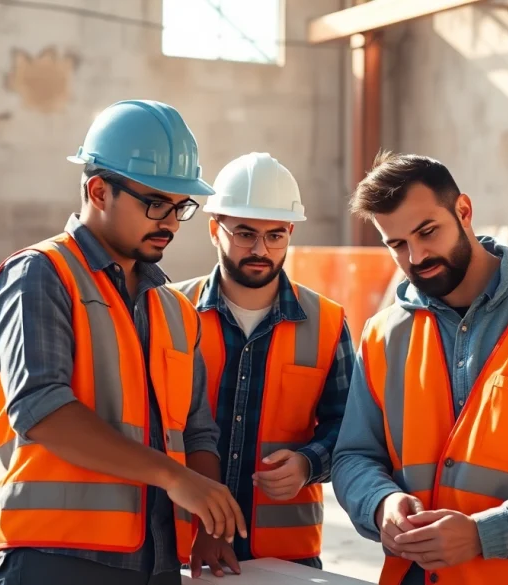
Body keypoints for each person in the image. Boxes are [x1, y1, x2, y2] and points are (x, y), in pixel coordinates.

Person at [0, 99, 245, 585]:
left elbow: (197, 430)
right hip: (54, 560)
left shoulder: (174, 309)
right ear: (99, 190)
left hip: (154, 563)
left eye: (180, 206)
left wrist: (210, 520)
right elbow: (41, 408)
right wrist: (174, 477)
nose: (169, 221)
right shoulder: (41, 275)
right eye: (155, 203)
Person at [331, 151, 508, 585]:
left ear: (463, 210)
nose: (417, 255)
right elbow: (354, 455)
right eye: (397, 245)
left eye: (427, 232)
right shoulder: (382, 335)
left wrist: (487, 534)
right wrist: (380, 503)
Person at [169, 152, 353, 578]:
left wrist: (309, 462)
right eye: (245, 233)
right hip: (180, 550)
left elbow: (348, 428)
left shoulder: (328, 322)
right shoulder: (171, 313)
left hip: (286, 556)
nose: (260, 249)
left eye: (275, 236)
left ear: (290, 232)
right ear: (215, 229)